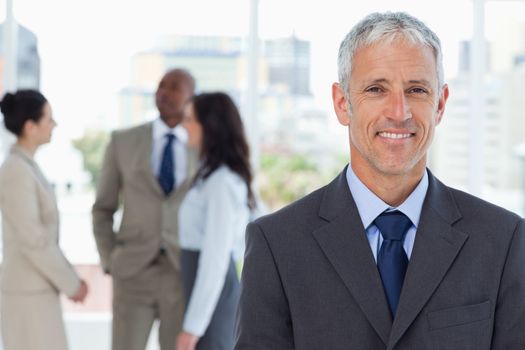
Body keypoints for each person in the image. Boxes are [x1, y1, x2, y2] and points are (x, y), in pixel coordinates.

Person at [234, 12, 525, 350]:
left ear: (440, 105)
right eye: (376, 89)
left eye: (416, 89)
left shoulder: (503, 241)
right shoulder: (277, 244)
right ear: (343, 104)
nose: (399, 111)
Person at [92, 68, 197, 350]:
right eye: (161, 85)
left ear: (191, 97)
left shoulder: (203, 146)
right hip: (132, 272)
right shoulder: (123, 141)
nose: (164, 91)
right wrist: (109, 259)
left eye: (175, 86)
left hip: (181, 273)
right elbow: (103, 208)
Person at [0, 90, 88, 350]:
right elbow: (34, 239)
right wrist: (71, 284)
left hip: (36, 291)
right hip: (26, 295)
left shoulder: (26, 167)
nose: (54, 125)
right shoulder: (16, 171)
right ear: (30, 126)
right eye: (49, 119)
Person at [175, 92, 254, 350]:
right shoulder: (209, 176)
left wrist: (192, 327)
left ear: (208, 127)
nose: (183, 125)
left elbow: (215, 257)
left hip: (215, 295)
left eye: (189, 119)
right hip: (204, 289)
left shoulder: (221, 182)